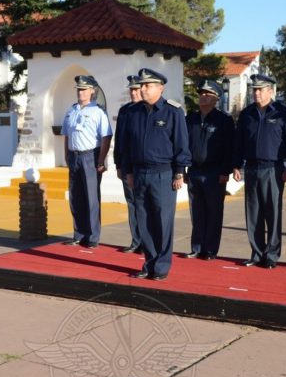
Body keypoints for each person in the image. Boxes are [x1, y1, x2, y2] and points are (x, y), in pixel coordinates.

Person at [119, 68, 191, 280]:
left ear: (160, 88)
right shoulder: (133, 112)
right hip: (140, 173)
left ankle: (161, 266)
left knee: (162, 221)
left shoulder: (173, 111)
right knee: (144, 220)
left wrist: (180, 172)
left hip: (164, 174)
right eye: (141, 85)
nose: (142, 89)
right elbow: (128, 145)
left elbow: (181, 144)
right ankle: (149, 263)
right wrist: (129, 172)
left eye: (147, 85)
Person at [233, 74, 286, 269]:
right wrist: (236, 165)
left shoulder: (282, 113)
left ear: (271, 91)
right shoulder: (247, 114)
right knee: (253, 213)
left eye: (260, 89)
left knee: (272, 212)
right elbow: (239, 143)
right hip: (252, 168)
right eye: (254, 89)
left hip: (274, 169)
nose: (256, 93)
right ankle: (256, 253)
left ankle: (271, 255)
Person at [184, 79, 235, 260]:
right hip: (195, 171)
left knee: (213, 212)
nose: (203, 97)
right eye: (201, 94)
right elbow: (184, 146)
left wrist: (225, 171)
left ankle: (210, 249)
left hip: (214, 172)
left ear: (216, 98)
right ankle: (197, 247)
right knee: (196, 212)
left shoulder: (224, 120)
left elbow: (230, 148)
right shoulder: (190, 119)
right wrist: (183, 170)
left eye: (207, 94)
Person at [61, 75, 112, 248]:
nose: (80, 92)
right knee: (75, 197)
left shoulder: (98, 111)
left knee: (91, 198)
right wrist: (66, 155)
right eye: (78, 89)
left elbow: (106, 136)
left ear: (92, 91)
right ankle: (79, 233)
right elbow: (67, 135)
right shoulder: (71, 110)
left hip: (90, 156)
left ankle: (92, 236)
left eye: (83, 89)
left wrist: (101, 159)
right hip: (74, 156)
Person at [113, 75, 143, 253]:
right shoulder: (125, 111)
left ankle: (147, 242)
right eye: (131, 89)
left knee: (144, 204)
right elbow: (120, 139)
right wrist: (118, 164)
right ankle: (136, 240)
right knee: (132, 203)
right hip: (127, 165)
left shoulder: (148, 110)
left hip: (143, 165)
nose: (133, 92)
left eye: (136, 89)